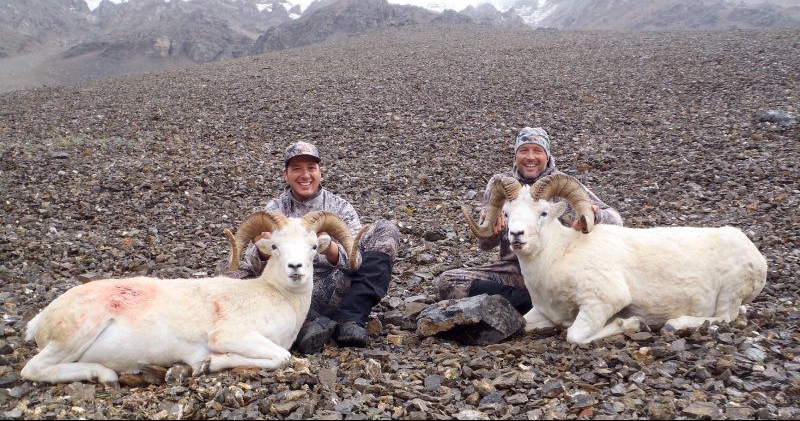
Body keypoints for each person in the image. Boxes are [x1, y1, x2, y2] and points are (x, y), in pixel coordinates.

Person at [218, 141, 400, 353]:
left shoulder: (339, 207)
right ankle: (309, 322)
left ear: (320, 172)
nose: (305, 175)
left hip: (336, 287)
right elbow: (252, 266)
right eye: (297, 169)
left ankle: (349, 319)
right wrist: (262, 248)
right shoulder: (274, 210)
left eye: (311, 168)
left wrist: (329, 248)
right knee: (226, 272)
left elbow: (355, 261)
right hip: (289, 291)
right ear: (285, 175)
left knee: (385, 230)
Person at [435, 127, 623, 313]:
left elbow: (615, 219)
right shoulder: (501, 184)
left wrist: (592, 216)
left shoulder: (562, 184)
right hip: (514, 270)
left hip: (558, 269)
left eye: (537, 151)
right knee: (449, 283)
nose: (530, 157)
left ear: (547, 156)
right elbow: (484, 244)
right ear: (516, 155)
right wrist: (491, 229)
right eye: (524, 150)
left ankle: (524, 307)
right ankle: (537, 306)